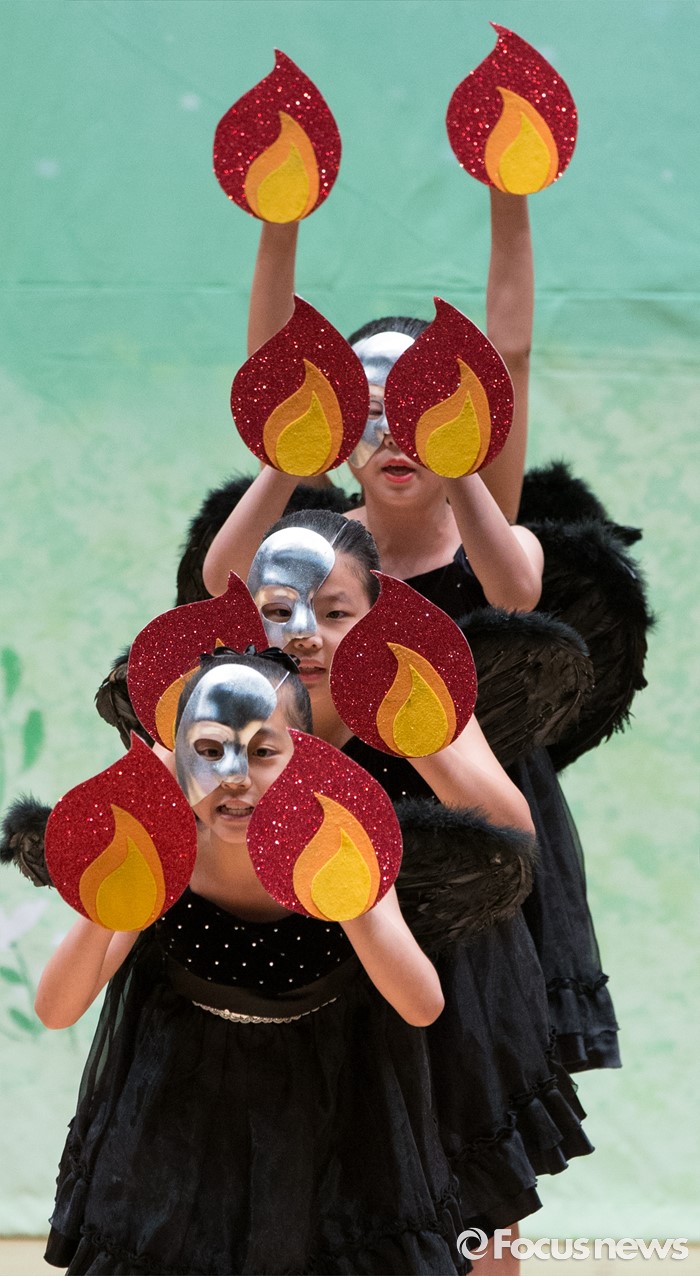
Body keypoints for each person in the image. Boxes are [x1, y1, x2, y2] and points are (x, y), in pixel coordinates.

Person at [200, 190, 622, 1076]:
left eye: (420, 410)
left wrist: (510, 193)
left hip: (466, 809)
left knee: (474, 1055)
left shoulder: (490, 529)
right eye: (369, 411)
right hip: (344, 818)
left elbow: (509, 356)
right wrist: (280, 219)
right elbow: (227, 559)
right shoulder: (310, 541)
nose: (396, 435)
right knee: (357, 1069)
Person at [36, 649, 466, 1276]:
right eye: (209, 750)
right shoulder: (160, 846)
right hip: (181, 1097)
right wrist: (114, 893)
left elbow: (422, 1006)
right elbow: (56, 1010)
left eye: (264, 752)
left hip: (331, 1096)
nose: (234, 775)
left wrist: (347, 897)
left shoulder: (342, 843)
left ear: (307, 757)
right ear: (178, 758)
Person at [241, 509, 593, 1269]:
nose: (306, 634)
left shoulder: (416, 688)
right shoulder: (233, 705)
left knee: (469, 1204)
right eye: (281, 612)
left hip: (442, 978)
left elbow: (515, 835)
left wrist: (410, 732)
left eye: (335, 613)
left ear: (373, 617)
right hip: (296, 987)